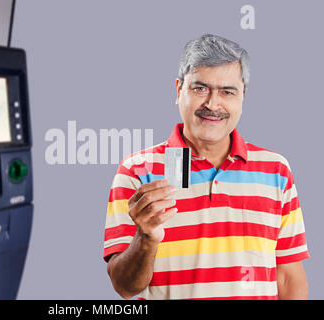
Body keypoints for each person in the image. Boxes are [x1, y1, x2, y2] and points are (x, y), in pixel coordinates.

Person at [103, 34, 309, 300]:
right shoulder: (136, 172)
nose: (213, 104)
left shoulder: (276, 171)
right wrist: (145, 238)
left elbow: (288, 276)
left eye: (227, 91)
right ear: (179, 91)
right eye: (200, 89)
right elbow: (124, 287)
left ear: (242, 97)